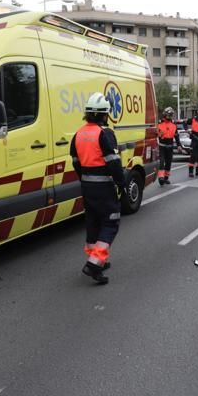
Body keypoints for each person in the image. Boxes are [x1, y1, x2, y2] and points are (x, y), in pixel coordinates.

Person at [70, 92, 126, 284]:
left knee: (93, 222)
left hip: (87, 187)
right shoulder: (104, 134)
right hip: (103, 187)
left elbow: (75, 162)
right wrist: (122, 183)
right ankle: (94, 264)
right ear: (104, 115)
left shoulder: (78, 134)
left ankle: (97, 260)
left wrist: (85, 178)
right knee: (111, 222)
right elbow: (113, 162)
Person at [156, 106, 178, 185]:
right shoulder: (159, 123)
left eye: (171, 115)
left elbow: (176, 136)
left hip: (170, 146)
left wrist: (179, 145)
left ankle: (166, 178)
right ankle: (161, 178)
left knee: (168, 163)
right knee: (162, 162)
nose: (170, 116)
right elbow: (155, 134)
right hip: (162, 146)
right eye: (169, 115)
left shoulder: (174, 125)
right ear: (165, 115)